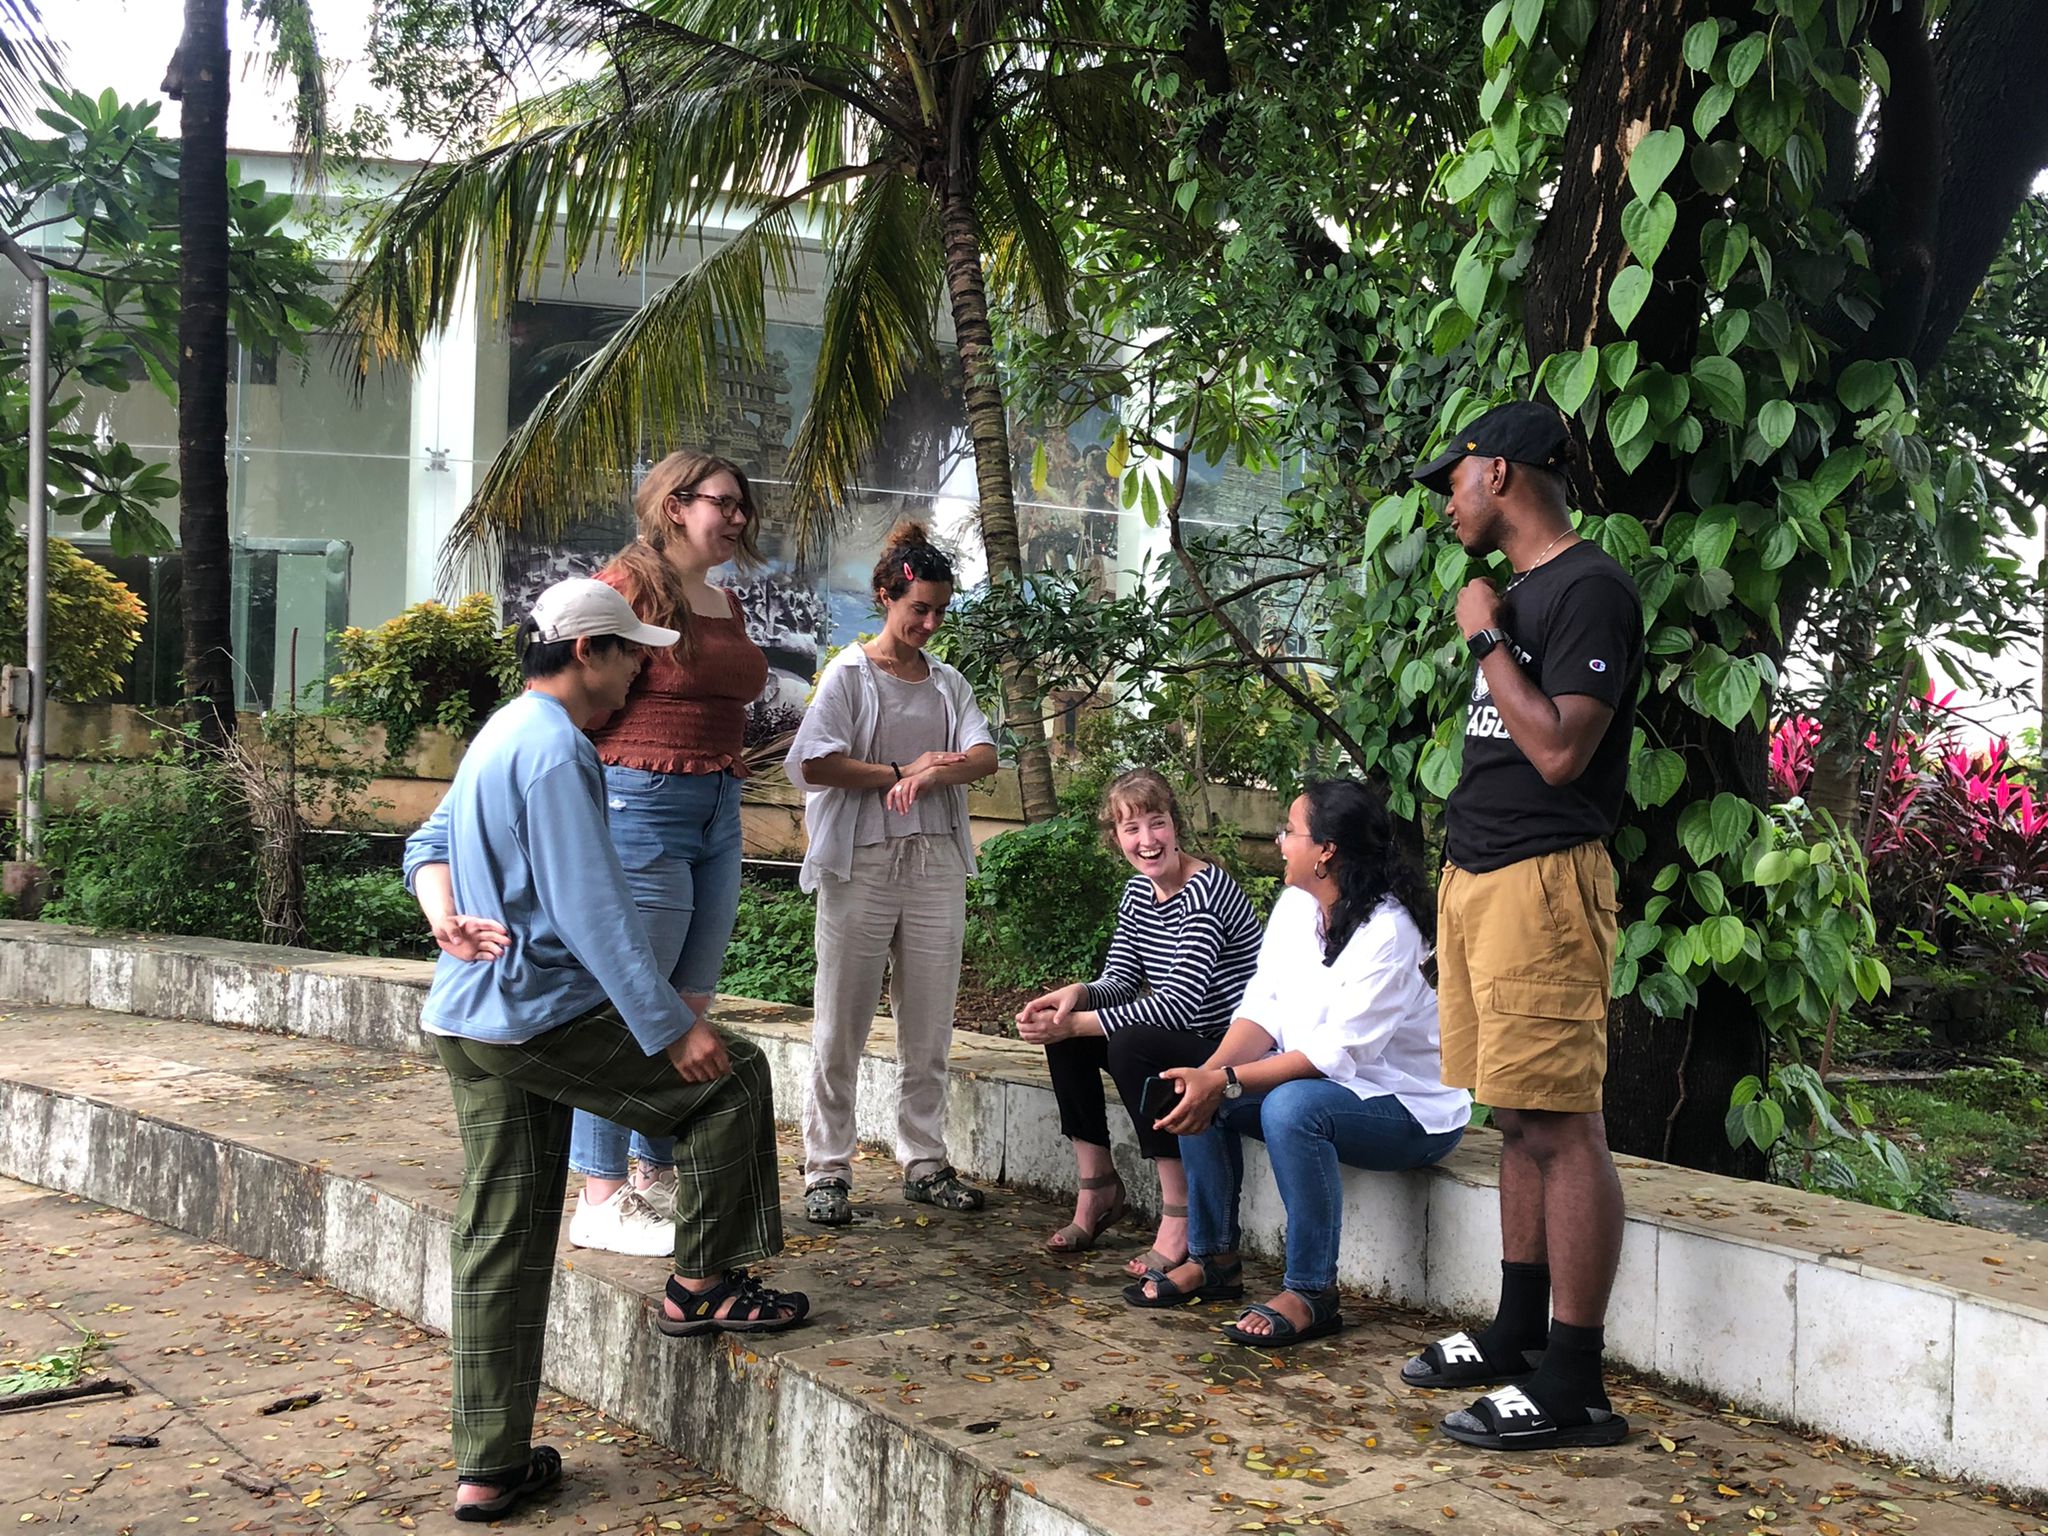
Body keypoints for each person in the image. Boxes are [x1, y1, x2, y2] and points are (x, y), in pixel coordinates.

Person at [404, 577, 807, 1524]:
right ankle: (703, 1283)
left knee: (502, 1235)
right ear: (587, 651)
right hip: (537, 1013)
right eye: (631, 650)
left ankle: (489, 1465)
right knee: (733, 1076)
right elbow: (592, 910)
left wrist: (443, 919)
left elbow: (428, 841)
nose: (643, 667)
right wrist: (674, 1026)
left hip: (468, 1018)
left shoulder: (504, 729)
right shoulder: (555, 751)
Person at [1401, 399, 1643, 1451]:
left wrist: (1486, 632)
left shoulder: (1585, 589)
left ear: (1496, 471)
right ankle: (1514, 1330)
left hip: (1544, 885)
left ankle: (1575, 1381)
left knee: (1561, 1126)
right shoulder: (1524, 588)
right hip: (1483, 881)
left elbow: (1557, 753)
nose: (1443, 500)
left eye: (1449, 477)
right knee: (1512, 1116)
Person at [1131, 779, 1471, 1345]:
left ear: (1327, 851)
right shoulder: (1296, 904)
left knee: (1290, 1107)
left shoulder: (1390, 931)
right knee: (1201, 1092)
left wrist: (1225, 1079)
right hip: (1325, 1088)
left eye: (1292, 831)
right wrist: (1208, 1076)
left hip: (1412, 1111)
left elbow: (1334, 1055)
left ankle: (1313, 1291)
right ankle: (1214, 1260)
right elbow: (1262, 1006)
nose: (1281, 839)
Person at [564, 452, 770, 1258]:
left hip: (717, 803)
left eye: (744, 507)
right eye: (726, 503)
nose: (739, 518)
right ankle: (600, 1192)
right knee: (630, 1005)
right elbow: (575, 684)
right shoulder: (627, 584)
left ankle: (652, 1170)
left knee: (687, 1002)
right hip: (642, 802)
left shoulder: (722, 598)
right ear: (676, 504)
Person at [785, 521, 1001, 1224]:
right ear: (886, 597)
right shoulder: (848, 676)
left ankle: (924, 1159)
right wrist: (904, 770)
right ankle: (827, 1168)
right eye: (919, 611)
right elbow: (814, 762)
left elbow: (984, 755)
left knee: (930, 1020)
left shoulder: (948, 683)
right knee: (841, 1019)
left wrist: (936, 771)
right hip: (863, 861)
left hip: (935, 857)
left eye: (939, 611)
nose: (930, 624)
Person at [1016, 768, 1262, 1275]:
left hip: (1228, 1051)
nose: (1147, 841)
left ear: (1176, 826)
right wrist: (1073, 998)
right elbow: (1122, 979)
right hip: (1185, 1037)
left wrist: (1081, 1021)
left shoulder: (1206, 892)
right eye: (1132, 829)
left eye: (1157, 824)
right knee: (1070, 1039)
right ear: (1117, 837)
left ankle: (1180, 1210)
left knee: (1126, 1044)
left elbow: (1179, 1007)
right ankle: (1098, 1187)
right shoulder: (1139, 893)